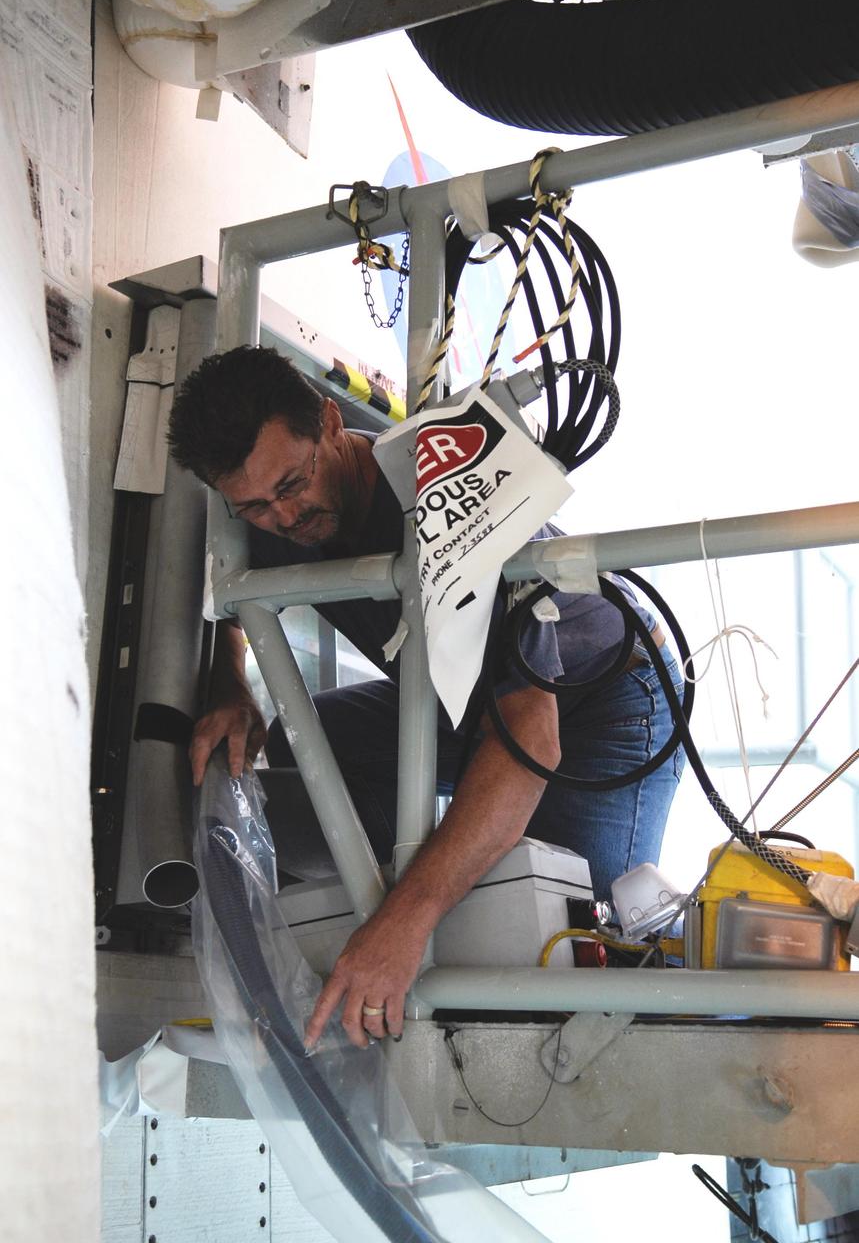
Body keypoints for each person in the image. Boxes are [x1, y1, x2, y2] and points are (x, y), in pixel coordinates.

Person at [168, 345, 685, 1050]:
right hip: (457, 699)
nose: (282, 517)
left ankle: (451, 884)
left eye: (292, 484)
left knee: (564, 945)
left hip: (606, 693)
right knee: (290, 753)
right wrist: (231, 687)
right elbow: (227, 606)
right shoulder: (258, 517)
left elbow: (530, 735)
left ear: (327, 420)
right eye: (253, 505)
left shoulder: (448, 496)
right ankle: (433, 867)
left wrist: (402, 924)